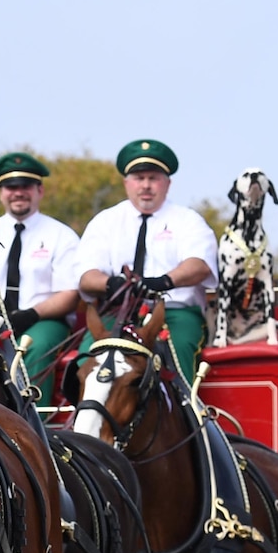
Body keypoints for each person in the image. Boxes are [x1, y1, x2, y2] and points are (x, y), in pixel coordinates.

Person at [76, 140, 219, 387]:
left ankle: (187, 418)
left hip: (175, 312)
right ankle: (83, 422)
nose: (146, 185)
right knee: (87, 359)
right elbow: (87, 278)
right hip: (118, 312)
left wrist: (163, 282)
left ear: (167, 183)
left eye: (153, 178)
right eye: (139, 178)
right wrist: (113, 283)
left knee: (178, 354)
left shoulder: (188, 220)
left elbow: (199, 265)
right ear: (126, 183)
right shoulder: (105, 221)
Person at [0, 153, 81, 398]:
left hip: (43, 320)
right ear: (1, 193)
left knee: (32, 348)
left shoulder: (61, 236)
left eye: (26, 186)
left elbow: (70, 294)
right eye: (11, 187)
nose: (18, 192)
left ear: (39, 191)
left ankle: (36, 424)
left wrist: (31, 315)